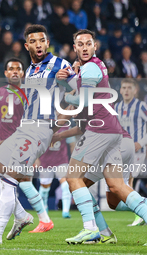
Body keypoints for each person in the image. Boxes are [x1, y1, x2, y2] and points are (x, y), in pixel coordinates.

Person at [0, 24, 71, 245]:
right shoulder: (32, 71)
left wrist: (57, 124)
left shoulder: (60, 65)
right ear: (27, 46)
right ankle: (23, 216)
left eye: (41, 40)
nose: (38, 44)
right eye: (33, 41)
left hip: (39, 129)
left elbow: (80, 94)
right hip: (25, 128)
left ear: (47, 43)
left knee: (9, 179)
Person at [56, 29, 147, 245]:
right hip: (114, 131)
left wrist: (64, 88)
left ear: (95, 46)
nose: (85, 47)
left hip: (100, 129)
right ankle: (103, 232)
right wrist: (70, 78)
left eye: (89, 43)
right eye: (81, 44)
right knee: (116, 187)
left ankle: (91, 230)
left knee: (73, 178)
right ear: (75, 47)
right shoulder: (95, 66)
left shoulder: (89, 68)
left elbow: (84, 101)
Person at [0, 58, 53, 234]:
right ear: (5, 73)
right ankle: (18, 214)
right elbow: (0, 115)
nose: (14, 72)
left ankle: (40, 219)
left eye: (18, 69)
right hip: (3, 142)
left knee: (17, 181)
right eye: (10, 69)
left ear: (23, 73)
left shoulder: (29, 93)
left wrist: (36, 152)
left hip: (21, 143)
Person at [114, 78, 147, 226]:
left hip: (137, 150)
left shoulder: (141, 106)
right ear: (120, 90)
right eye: (124, 88)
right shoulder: (116, 107)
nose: (126, 90)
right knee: (126, 182)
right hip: (121, 150)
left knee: (129, 181)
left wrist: (140, 143)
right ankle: (139, 211)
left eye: (129, 88)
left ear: (134, 90)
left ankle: (139, 212)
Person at [38, 126, 75, 219]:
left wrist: (74, 161)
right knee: (44, 188)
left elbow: (72, 144)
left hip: (61, 160)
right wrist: (36, 159)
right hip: (45, 161)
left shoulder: (66, 127)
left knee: (66, 184)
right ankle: (44, 208)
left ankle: (66, 211)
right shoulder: (43, 125)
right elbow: (36, 144)